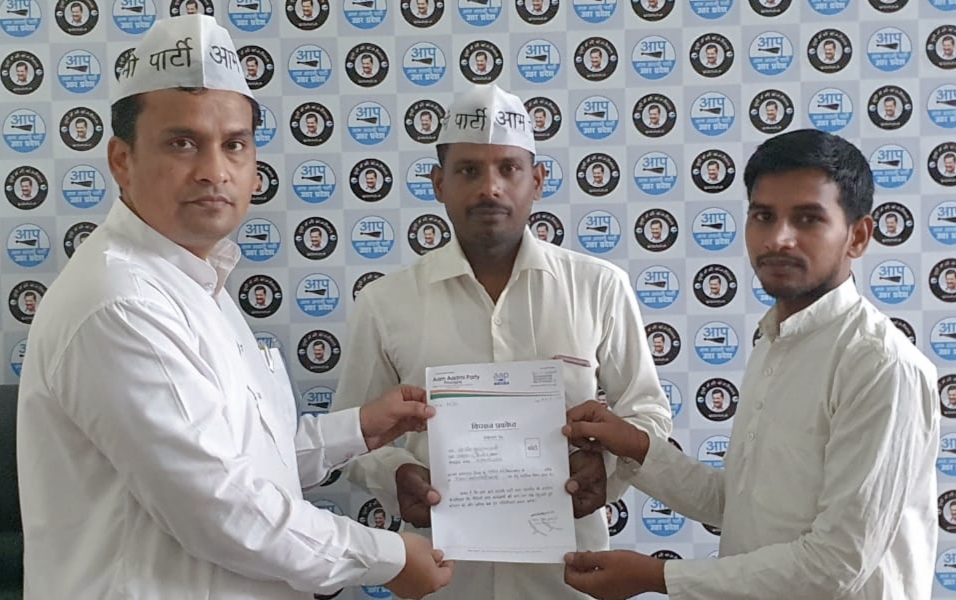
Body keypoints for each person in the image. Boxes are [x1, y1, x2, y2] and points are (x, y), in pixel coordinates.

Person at [16, 15, 454, 600]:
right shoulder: (120, 302)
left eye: (234, 145)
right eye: (182, 143)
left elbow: (243, 458)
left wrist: (357, 429)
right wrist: (388, 556)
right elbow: (219, 506)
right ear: (121, 160)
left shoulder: (197, 280)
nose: (213, 171)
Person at [562, 128, 938, 600]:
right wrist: (637, 446)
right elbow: (740, 506)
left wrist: (658, 577)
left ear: (857, 236)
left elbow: (835, 566)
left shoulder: (880, 365)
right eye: (764, 216)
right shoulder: (776, 341)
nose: (779, 238)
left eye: (808, 219)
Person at [332, 83, 672, 600]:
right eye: (469, 170)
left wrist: (605, 467)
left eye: (508, 169)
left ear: (537, 181)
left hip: (568, 580)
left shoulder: (600, 287)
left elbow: (649, 413)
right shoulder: (384, 303)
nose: (490, 188)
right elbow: (348, 435)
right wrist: (396, 474)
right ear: (438, 184)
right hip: (444, 581)